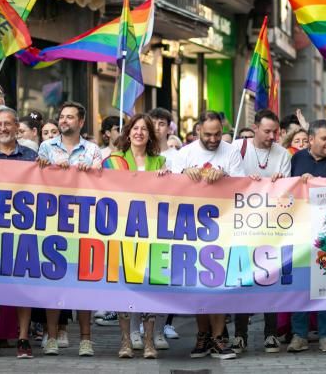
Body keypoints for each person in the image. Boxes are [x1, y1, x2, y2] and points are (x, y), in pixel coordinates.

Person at [172, 110, 243, 360]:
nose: (214, 139)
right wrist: (183, 175)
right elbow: (168, 189)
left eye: (217, 134)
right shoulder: (184, 154)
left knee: (220, 283)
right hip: (191, 229)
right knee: (198, 283)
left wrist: (225, 176)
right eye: (208, 135)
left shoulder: (231, 151)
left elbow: (243, 186)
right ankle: (203, 336)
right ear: (198, 131)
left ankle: (219, 337)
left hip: (223, 227)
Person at [37, 101, 102, 358]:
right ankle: (52, 337)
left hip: (85, 223)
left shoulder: (93, 150)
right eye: (62, 117)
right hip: (54, 221)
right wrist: (48, 169)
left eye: (70, 117)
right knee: (54, 281)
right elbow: (37, 176)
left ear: (81, 122)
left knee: (83, 282)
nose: (64, 121)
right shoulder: (46, 147)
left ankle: (86, 340)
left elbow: (102, 181)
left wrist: (91, 171)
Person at [0, 107, 38, 358]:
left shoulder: (31, 156)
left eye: (7, 124)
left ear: (16, 128)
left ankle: (23, 339)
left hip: (23, 229)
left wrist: (44, 168)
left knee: (22, 285)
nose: (2, 128)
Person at [231, 109, 291, 354]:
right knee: (242, 279)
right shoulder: (237, 148)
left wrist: (280, 182)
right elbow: (229, 180)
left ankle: (270, 333)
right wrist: (244, 181)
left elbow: (288, 189)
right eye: (267, 131)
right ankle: (240, 335)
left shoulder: (283, 154)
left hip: (271, 226)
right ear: (254, 128)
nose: (272, 136)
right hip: (242, 226)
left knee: (270, 278)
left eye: (275, 132)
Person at [107, 114, 166, 359]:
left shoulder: (160, 161)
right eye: (135, 128)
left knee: (149, 286)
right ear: (128, 133)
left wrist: (167, 179)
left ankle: (149, 342)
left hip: (151, 231)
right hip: (121, 230)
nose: (139, 132)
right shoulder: (114, 160)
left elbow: (167, 193)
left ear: (150, 135)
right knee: (124, 286)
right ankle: (125, 342)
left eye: (144, 129)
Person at [287, 119, 326, 353]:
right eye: (324, 138)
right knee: (300, 283)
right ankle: (299, 335)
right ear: (311, 140)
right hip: (300, 229)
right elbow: (286, 187)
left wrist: (312, 183)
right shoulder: (297, 159)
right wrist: (297, 183)